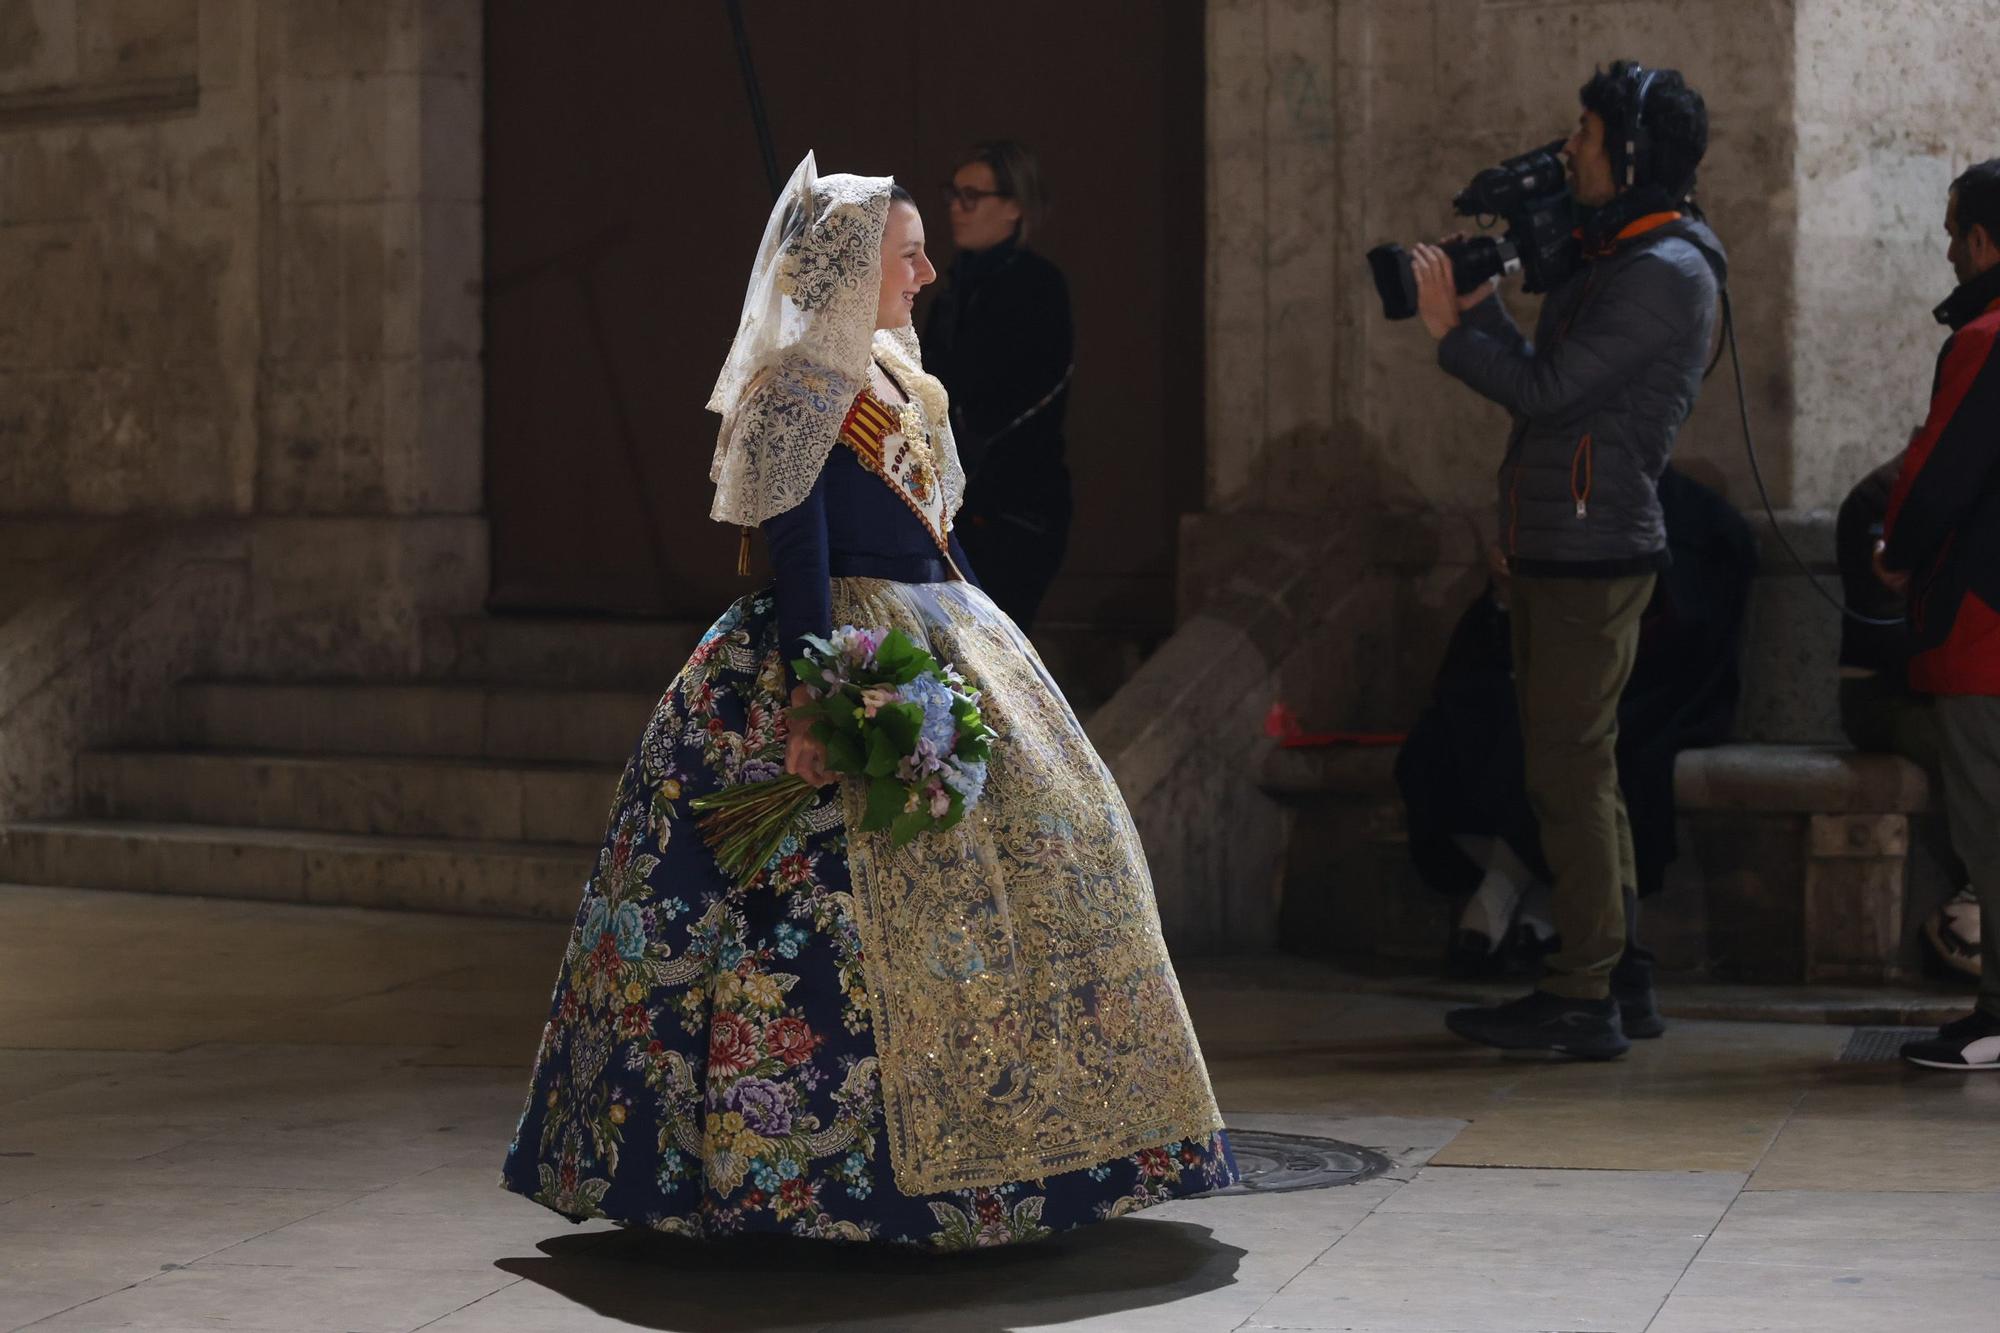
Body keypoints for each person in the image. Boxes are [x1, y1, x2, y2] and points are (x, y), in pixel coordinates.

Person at [499, 154, 1236, 1246]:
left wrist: (998, 651)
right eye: (905, 253)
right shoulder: (801, 384)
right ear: (851, 270)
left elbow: (936, 536)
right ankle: (816, 1178)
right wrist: (812, 699)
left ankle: (1054, 1146)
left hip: (943, 628)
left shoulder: (898, 372)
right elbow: (797, 551)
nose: (927, 267)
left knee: (1071, 849)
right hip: (840, 648)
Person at [1409, 61, 1726, 1060]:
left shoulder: (1665, 273)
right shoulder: (1625, 253)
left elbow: (1548, 393)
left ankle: (1581, 989)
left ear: (1630, 150)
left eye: (1585, 133)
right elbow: (1557, 403)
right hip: (1562, 537)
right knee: (1577, 770)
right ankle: (1616, 972)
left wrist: (1456, 326)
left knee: (1568, 773)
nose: (1569, 149)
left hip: (1594, 548)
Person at [1397, 466, 1756, 1024]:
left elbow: (1666, 648)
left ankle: (1583, 962)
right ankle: (1558, 930)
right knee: (1456, 739)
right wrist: (1506, 595)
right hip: (1559, 680)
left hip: (1639, 697)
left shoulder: (1664, 521)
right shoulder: (1558, 506)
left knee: (1583, 755)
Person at [1881, 158, 2000, 1072]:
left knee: (1989, 826)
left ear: (1984, 241)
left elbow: (1937, 473)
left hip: (1987, 629)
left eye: (1954, 230)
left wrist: (1897, 551)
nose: (1947, 249)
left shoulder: (1987, 336)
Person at [922, 141, 1074, 632]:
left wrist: (961, 428)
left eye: (972, 196)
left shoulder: (1038, 285)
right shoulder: (950, 294)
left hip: (1014, 506)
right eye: (952, 194)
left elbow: (1028, 390)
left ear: (1013, 206)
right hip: (955, 504)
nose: (956, 208)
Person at [1837, 460, 1979, 980]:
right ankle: (1969, 914)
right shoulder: (1882, 498)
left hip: (1960, 687)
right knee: (1974, 748)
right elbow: (1884, 634)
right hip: (1884, 695)